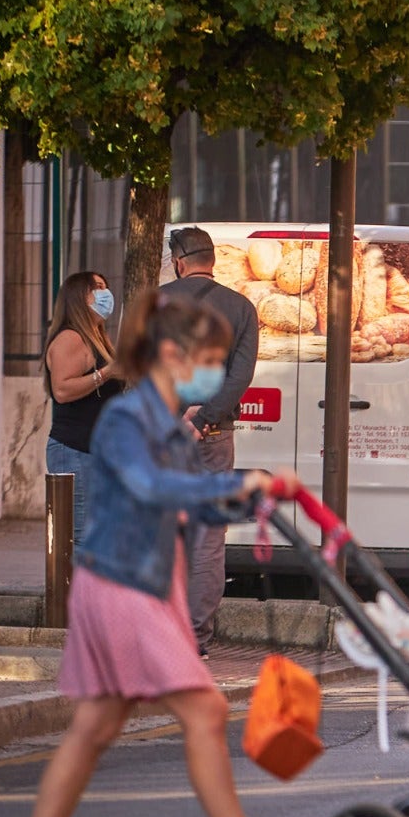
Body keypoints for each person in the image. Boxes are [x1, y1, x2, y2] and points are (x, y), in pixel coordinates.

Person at [15, 293, 311, 817]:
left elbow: (192, 495)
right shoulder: (127, 421)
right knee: (203, 712)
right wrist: (237, 484)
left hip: (147, 584)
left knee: (95, 727)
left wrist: (251, 492)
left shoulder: (173, 425)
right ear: (173, 355)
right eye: (207, 359)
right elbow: (150, 486)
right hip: (126, 587)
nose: (214, 373)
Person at [160, 226, 259, 658]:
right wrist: (203, 417)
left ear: (179, 262)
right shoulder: (242, 308)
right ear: (212, 261)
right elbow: (240, 378)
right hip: (213, 437)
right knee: (207, 541)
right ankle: (195, 636)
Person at [42, 271, 123, 542]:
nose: (105, 294)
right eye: (97, 287)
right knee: (79, 537)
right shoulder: (71, 338)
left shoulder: (97, 338)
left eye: (105, 286)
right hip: (75, 450)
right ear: (79, 297)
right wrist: (107, 373)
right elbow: (62, 390)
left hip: (97, 453)